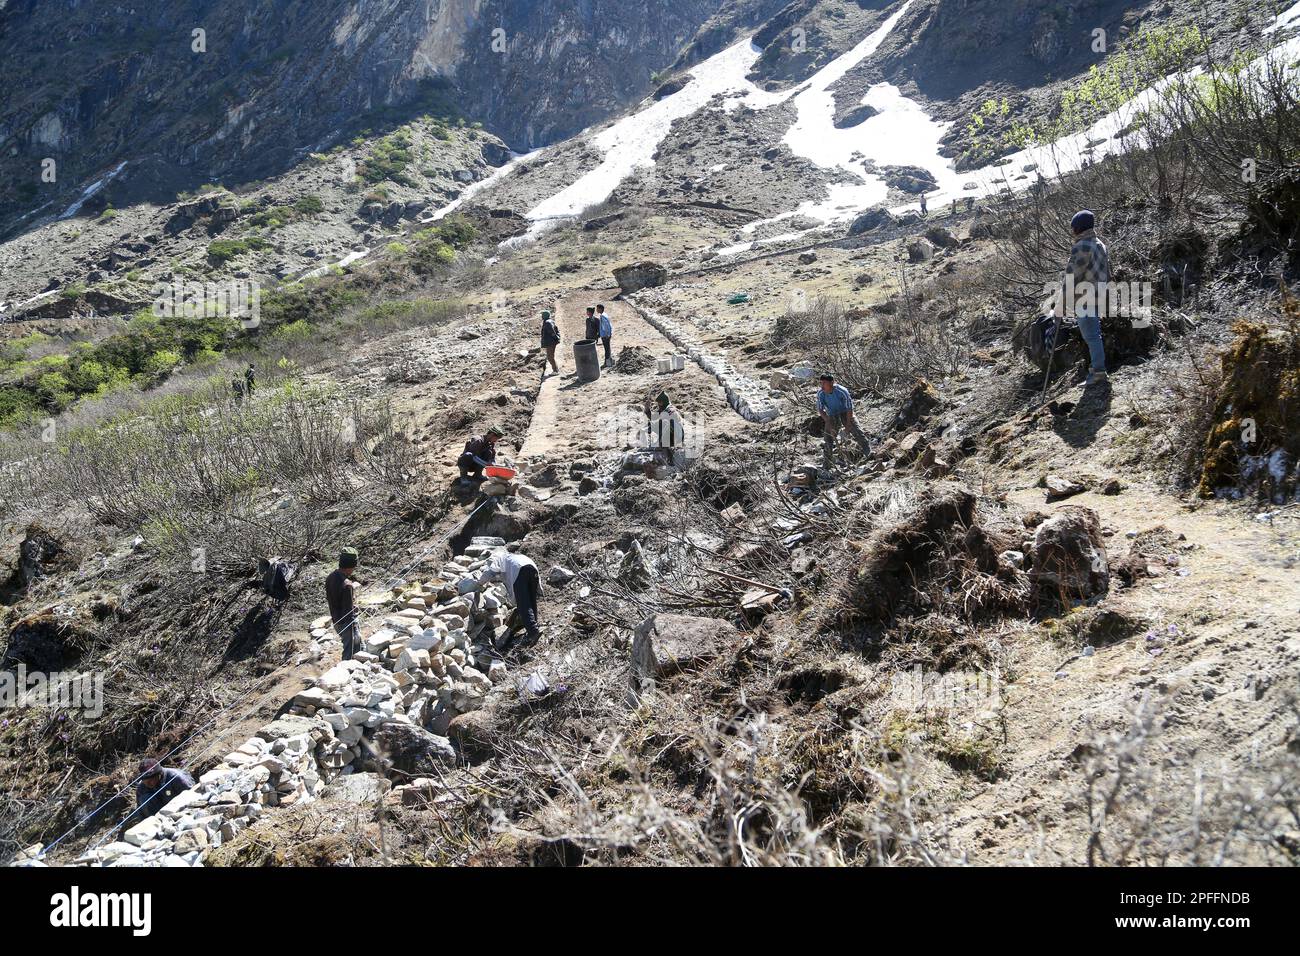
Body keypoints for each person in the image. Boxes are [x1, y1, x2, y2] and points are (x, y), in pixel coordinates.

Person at [1065, 209, 1110, 386]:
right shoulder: (1100, 244)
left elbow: (1071, 277)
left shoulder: (1082, 246)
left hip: (1085, 297)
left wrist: (1062, 301)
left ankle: (1098, 372)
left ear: (1078, 228)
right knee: (1094, 334)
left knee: (1091, 336)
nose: (1072, 231)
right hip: (1099, 294)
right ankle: (1096, 369)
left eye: (1073, 227)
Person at [474, 547, 542, 649]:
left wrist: (479, 583)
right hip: (532, 568)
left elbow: (490, 573)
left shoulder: (498, 558)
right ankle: (534, 625)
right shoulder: (512, 557)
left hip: (520, 571)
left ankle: (533, 632)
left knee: (523, 604)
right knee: (531, 600)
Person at [817, 373, 871, 469]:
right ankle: (827, 463)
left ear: (831, 383)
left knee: (857, 431)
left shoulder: (842, 391)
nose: (822, 386)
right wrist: (828, 424)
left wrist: (848, 426)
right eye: (821, 383)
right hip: (832, 414)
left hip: (845, 412)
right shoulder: (821, 393)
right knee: (828, 437)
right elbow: (821, 410)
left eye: (824, 383)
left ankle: (869, 453)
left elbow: (849, 408)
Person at [325, 547, 361, 661]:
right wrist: (354, 625)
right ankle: (345, 672)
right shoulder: (347, 585)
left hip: (336, 620)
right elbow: (348, 613)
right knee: (349, 652)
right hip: (346, 624)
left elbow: (336, 599)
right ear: (352, 565)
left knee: (359, 646)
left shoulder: (331, 576)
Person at [647, 390, 686, 467]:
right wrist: (648, 412)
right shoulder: (663, 409)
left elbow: (663, 419)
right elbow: (654, 418)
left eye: (660, 403)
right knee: (656, 424)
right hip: (671, 435)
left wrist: (653, 425)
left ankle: (669, 456)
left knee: (664, 422)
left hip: (677, 435)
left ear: (664, 402)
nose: (659, 405)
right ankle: (663, 447)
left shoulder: (670, 409)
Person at [540, 309, 561, 376]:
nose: (541, 316)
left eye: (542, 315)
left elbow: (552, 332)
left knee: (550, 357)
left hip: (550, 343)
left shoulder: (547, 323)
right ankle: (555, 369)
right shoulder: (550, 321)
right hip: (551, 342)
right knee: (550, 356)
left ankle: (555, 370)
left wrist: (556, 338)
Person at [596, 303, 614, 368]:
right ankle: (608, 362)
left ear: (600, 309)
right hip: (607, 335)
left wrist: (606, 334)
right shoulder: (605, 314)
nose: (596, 310)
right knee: (608, 348)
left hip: (605, 336)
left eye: (597, 308)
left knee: (606, 349)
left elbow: (605, 326)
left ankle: (607, 363)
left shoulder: (602, 316)